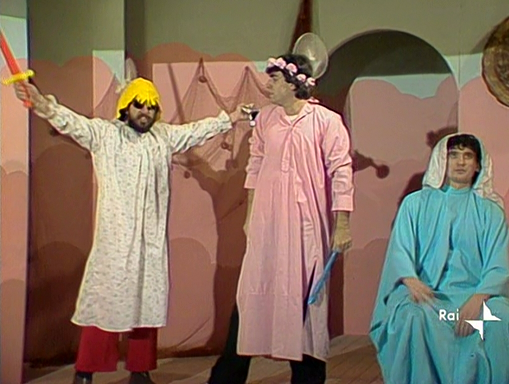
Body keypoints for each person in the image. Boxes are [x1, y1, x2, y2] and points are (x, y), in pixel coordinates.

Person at [14, 78, 248, 384]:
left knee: (146, 308)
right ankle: (85, 372)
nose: (145, 112)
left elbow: (196, 131)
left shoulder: (163, 137)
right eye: (139, 106)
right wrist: (42, 103)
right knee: (104, 306)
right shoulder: (105, 134)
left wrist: (230, 118)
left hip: (150, 245)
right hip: (115, 245)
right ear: (126, 107)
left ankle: (140, 370)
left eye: (151, 107)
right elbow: (69, 121)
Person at [207, 53, 354, 384]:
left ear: (293, 83)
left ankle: (307, 378)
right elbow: (255, 166)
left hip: (305, 223)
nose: (268, 86)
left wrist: (342, 223)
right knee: (253, 293)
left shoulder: (325, 121)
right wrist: (250, 217)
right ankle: (227, 378)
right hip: (268, 220)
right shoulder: (267, 120)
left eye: (274, 80)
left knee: (306, 298)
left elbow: (341, 170)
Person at [370, 133, 509, 384]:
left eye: (468, 156)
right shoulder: (415, 204)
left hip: (475, 295)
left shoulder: (491, 211)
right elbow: (401, 249)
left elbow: (497, 264)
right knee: (412, 317)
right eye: (454, 155)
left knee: (502, 318)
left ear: (478, 165)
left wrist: (478, 299)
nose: (460, 162)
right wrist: (411, 281)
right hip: (428, 295)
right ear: (443, 160)